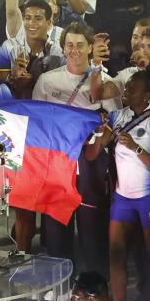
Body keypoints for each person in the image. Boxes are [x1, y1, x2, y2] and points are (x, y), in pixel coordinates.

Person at [31, 22, 115, 270]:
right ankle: (61, 291)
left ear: (90, 47)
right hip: (57, 166)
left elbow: (115, 123)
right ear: (63, 47)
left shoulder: (105, 82)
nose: (74, 50)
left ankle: (96, 287)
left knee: (93, 233)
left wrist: (96, 143)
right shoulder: (47, 80)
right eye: (69, 45)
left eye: (80, 45)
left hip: (91, 164)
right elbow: (38, 123)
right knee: (56, 233)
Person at [87, 66, 150, 301]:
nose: (126, 91)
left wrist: (135, 147)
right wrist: (99, 133)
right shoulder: (117, 117)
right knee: (115, 255)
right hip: (123, 198)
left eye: (132, 88)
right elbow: (92, 154)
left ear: (146, 94)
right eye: (126, 87)